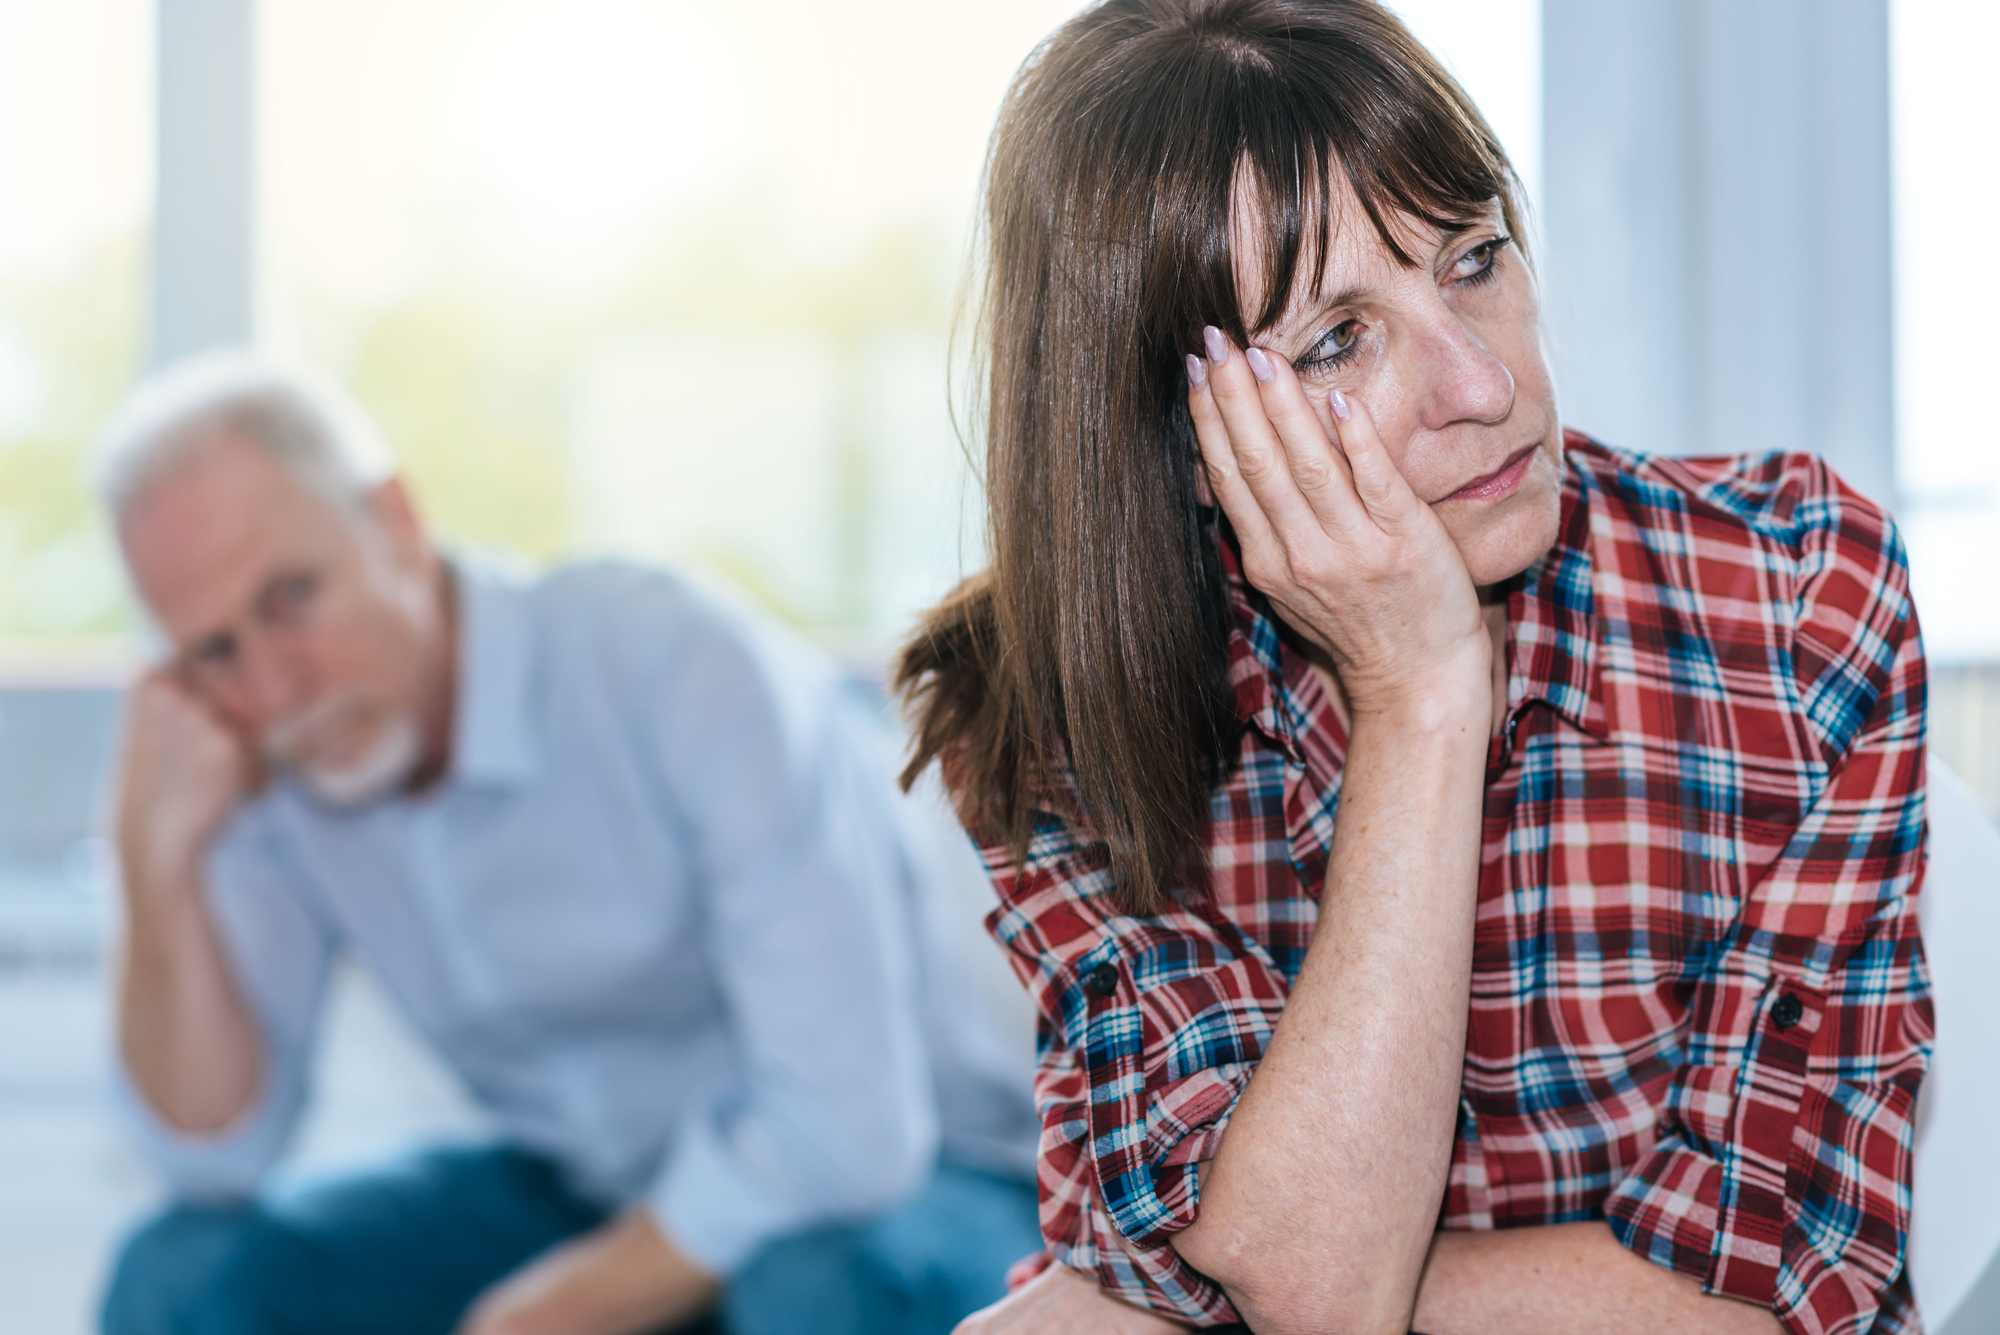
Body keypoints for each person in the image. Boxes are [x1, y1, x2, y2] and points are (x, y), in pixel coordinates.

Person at [894, 2, 1932, 1333]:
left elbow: (1784, 1301)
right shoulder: (1048, 721)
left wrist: (1205, 1284)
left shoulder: (1795, 596)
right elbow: (1315, 1283)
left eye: (1475, 257)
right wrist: (1425, 692)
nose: (1483, 380)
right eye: (1340, 337)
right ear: (1176, 434)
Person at [93, 354, 1043, 1335]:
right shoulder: (279, 758)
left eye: (290, 597)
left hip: (917, 1180)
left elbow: (851, 1139)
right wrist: (148, 855)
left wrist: (548, 1311)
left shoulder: (671, 663)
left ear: (394, 520)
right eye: (214, 652)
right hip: (593, 1191)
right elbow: (210, 1158)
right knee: (180, 1275)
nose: (274, 686)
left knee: (811, 1290)